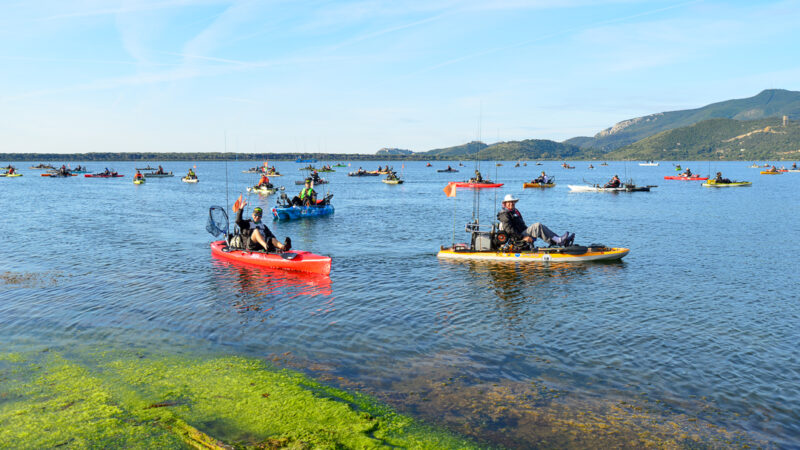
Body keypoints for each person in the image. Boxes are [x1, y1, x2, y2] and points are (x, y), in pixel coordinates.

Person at [497, 194, 573, 247]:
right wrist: (522, 238)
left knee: (540, 228)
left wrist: (529, 233)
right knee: (537, 226)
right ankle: (558, 240)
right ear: (505, 203)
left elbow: (522, 226)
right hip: (516, 237)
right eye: (509, 202)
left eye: (513, 201)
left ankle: (558, 241)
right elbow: (509, 230)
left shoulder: (514, 212)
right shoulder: (504, 214)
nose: (512, 203)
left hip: (521, 233)